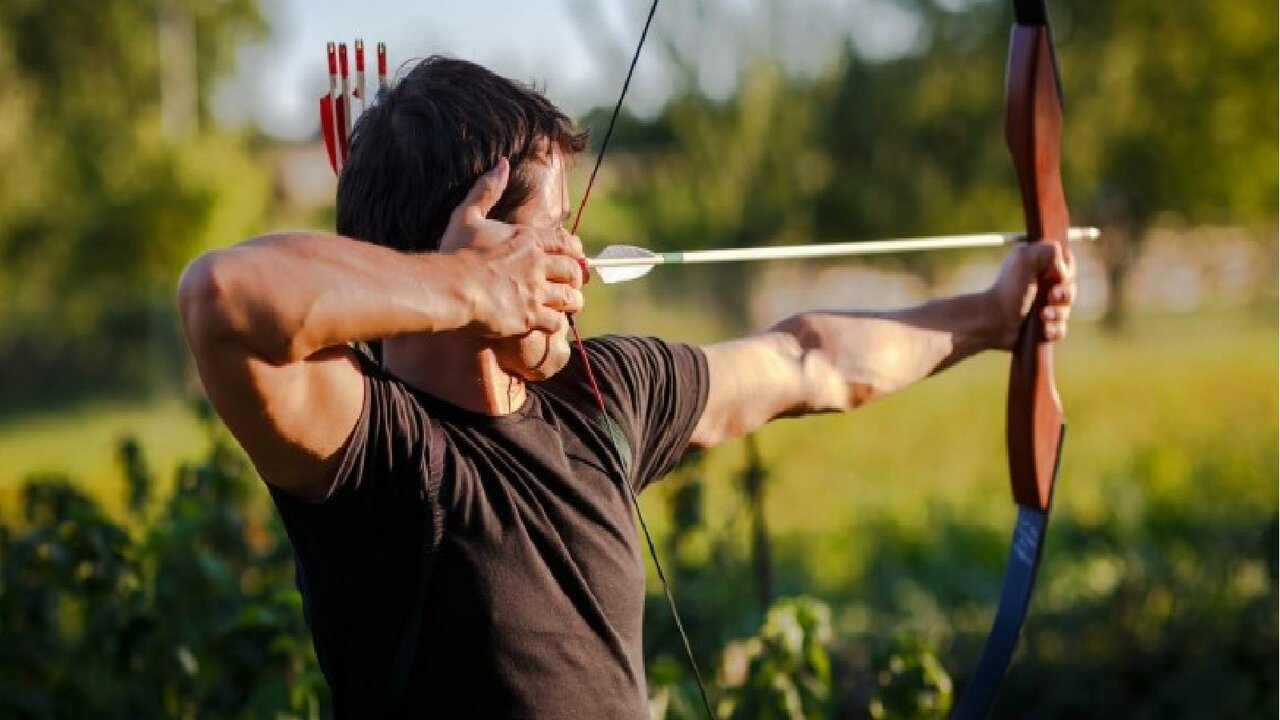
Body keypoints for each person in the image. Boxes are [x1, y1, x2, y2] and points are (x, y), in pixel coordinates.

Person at [177, 56, 1075, 719]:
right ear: (481, 246)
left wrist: (993, 316)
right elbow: (221, 295)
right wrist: (465, 290)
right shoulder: (376, 454)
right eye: (551, 233)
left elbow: (811, 360)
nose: (576, 261)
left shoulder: (600, 395)